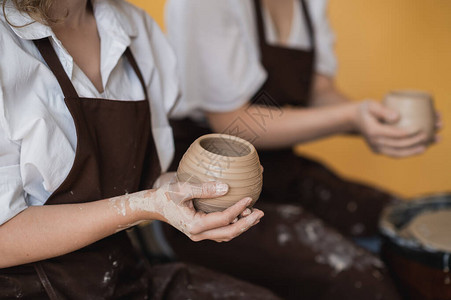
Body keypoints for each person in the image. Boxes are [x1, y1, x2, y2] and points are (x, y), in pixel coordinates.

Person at [0, 0, 281, 298]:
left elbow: (142, 183)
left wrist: (192, 191)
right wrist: (147, 205)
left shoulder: (133, 26)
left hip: (122, 277)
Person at [162, 0, 441, 299]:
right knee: (358, 278)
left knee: (403, 224)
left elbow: (318, 92)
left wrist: (377, 122)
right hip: (212, 190)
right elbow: (233, 123)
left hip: (280, 167)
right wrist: (350, 116)